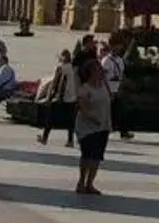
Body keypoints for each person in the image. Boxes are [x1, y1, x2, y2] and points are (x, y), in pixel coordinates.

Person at [72, 50, 114, 196]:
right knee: (87, 155)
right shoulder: (84, 89)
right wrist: (93, 119)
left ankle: (90, 184)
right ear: (90, 73)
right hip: (87, 127)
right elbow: (83, 109)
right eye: (97, 70)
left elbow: (110, 101)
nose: (100, 73)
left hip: (103, 126)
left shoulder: (103, 86)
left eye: (100, 70)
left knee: (97, 156)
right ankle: (81, 182)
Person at [36, 53, 77, 147]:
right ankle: (70, 141)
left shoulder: (60, 68)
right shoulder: (73, 68)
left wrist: (49, 97)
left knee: (50, 118)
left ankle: (44, 138)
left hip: (60, 97)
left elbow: (55, 83)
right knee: (70, 121)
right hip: (71, 97)